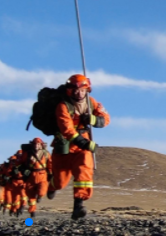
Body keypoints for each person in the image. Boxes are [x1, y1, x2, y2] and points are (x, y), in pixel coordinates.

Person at [47, 74, 109, 220]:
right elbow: (67, 130)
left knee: (84, 169)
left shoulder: (91, 103)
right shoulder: (63, 106)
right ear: (69, 90)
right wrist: (84, 143)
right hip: (65, 144)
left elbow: (106, 118)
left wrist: (94, 119)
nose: (79, 92)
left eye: (82, 89)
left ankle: (78, 205)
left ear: (87, 89)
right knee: (61, 181)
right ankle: (51, 185)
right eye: (75, 89)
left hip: (83, 145)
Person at [20, 137, 52, 218]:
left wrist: (51, 173)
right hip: (31, 176)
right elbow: (21, 163)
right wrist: (22, 169)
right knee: (31, 196)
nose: (36, 146)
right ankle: (32, 211)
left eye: (38, 144)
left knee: (42, 191)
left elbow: (50, 164)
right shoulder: (27, 154)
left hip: (42, 175)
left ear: (41, 145)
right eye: (34, 144)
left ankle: (40, 196)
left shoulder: (46, 154)